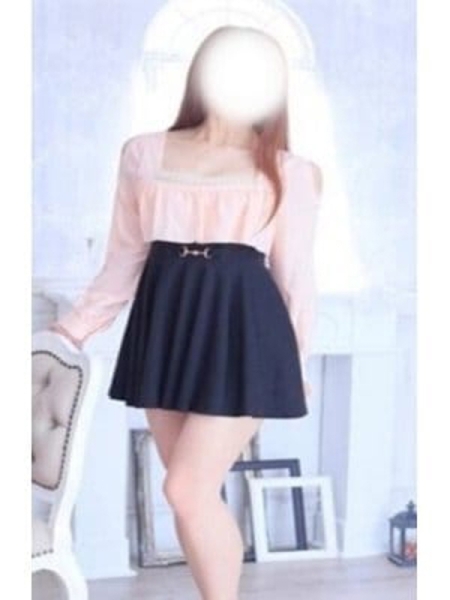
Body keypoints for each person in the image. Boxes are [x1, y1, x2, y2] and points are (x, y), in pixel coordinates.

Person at [48, 24, 322, 600]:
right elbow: (124, 260)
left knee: (185, 490)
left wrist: (295, 362)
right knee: (190, 496)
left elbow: (294, 278)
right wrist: (69, 331)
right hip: (166, 326)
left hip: (246, 333)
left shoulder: (291, 170)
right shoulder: (143, 153)